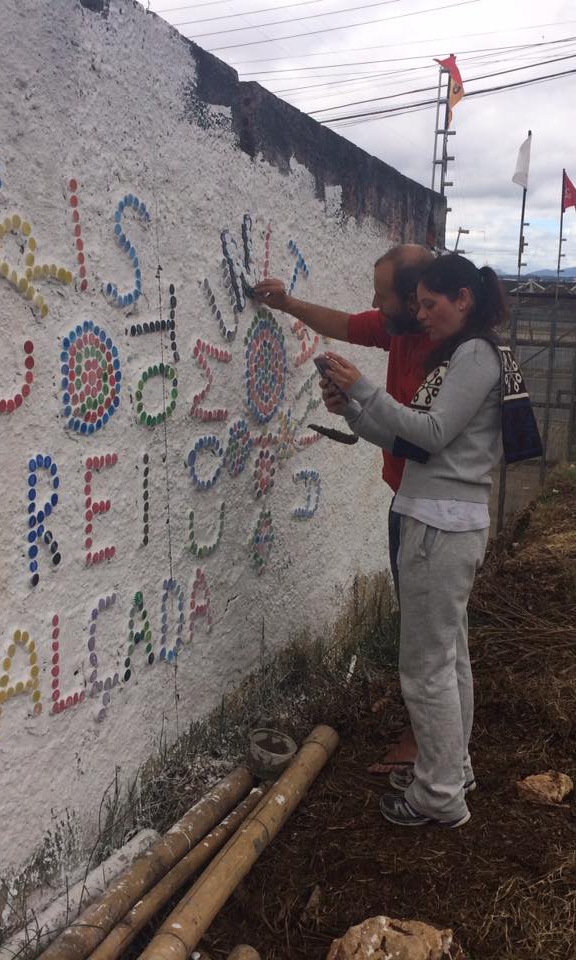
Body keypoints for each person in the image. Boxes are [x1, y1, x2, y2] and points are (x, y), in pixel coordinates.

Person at [321, 254, 505, 827]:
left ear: (464, 301)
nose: (420, 314)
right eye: (417, 303)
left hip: (439, 527)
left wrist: (367, 390)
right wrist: (354, 409)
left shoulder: (473, 355)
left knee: (425, 669)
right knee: (448, 660)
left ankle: (439, 794)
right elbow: (415, 445)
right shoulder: (462, 354)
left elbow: (430, 430)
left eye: (430, 304)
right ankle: (455, 769)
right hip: (445, 521)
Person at [253, 244, 434, 774]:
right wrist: (287, 303)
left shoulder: (446, 352)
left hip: (431, 507)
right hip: (407, 497)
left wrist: (361, 394)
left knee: (427, 631)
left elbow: (420, 434)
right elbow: (345, 323)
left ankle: (427, 742)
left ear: (412, 298)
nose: (374, 304)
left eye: (383, 295)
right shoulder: (397, 328)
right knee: (420, 624)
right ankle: (430, 733)